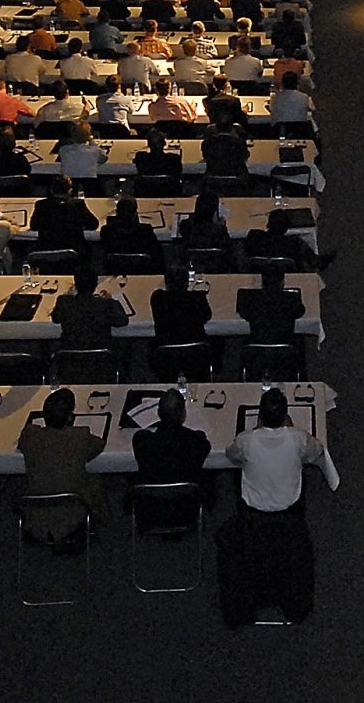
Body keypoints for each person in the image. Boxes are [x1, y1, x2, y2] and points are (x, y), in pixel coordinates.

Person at [221, 387, 324, 625]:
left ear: (259, 416)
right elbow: (316, 451)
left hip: (252, 516)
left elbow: (231, 455)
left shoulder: (247, 440)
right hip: (290, 513)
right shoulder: (297, 438)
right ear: (286, 416)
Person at [16, 388, 108, 545]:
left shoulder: (29, 435)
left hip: (35, 513)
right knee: (97, 479)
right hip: (72, 514)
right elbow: (99, 445)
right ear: (70, 417)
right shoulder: (79, 437)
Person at [132, 388, 213, 499]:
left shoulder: (142, 441)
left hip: (149, 506)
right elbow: (204, 445)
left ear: (158, 413)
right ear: (183, 414)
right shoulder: (195, 441)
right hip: (187, 502)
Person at [53, 269, 129, 348]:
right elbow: (123, 320)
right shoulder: (106, 304)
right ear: (95, 285)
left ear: (76, 284)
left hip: (70, 353)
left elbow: (56, 319)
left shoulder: (64, 302)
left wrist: (68, 297)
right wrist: (111, 300)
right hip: (100, 355)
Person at [31, 176, 99, 254]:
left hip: (46, 249)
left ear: (51, 190)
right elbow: (93, 224)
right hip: (75, 252)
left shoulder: (41, 205)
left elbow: (34, 226)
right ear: (70, 190)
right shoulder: (78, 204)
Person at [150, 265, 213, 345]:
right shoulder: (197, 298)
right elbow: (207, 316)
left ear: (166, 283)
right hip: (196, 350)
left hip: (166, 348)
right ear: (186, 283)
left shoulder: (158, 298)